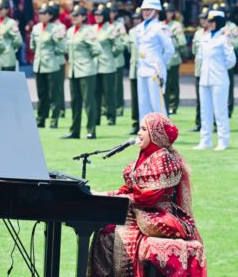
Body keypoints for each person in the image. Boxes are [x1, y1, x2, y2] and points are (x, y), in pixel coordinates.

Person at [88, 112, 206, 277]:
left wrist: (113, 199)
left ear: (156, 135)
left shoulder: (165, 159)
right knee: (104, 230)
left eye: (144, 129)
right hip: (140, 211)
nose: (139, 133)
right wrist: (102, 194)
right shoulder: (147, 156)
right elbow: (129, 191)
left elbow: (146, 198)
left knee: (110, 233)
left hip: (156, 215)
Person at [193, 10, 236, 151]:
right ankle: (205, 140)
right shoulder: (204, 37)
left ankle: (223, 140)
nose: (209, 23)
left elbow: (231, 60)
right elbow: (199, 57)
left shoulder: (224, 39)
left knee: (220, 111)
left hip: (219, 78)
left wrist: (219, 68)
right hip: (205, 78)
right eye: (208, 21)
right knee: (205, 111)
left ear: (218, 23)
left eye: (212, 21)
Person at [62, 5, 102, 139]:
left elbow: (97, 49)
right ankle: (75, 131)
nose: (73, 17)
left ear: (84, 17)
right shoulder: (70, 31)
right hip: (73, 70)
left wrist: (86, 59)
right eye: (72, 15)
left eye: (77, 15)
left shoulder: (88, 31)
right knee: (75, 102)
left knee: (89, 102)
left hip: (86, 70)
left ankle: (91, 130)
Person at [135, 0, 174, 121]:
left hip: (155, 70)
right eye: (144, 9)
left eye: (148, 9)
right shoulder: (139, 28)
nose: (145, 12)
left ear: (156, 11)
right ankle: (146, 137)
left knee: (158, 105)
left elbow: (169, 50)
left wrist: (160, 63)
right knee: (143, 105)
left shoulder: (160, 28)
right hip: (142, 69)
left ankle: (163, 137)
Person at [31, 3, 66, 128]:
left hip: (52, 65)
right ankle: (41, 118)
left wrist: (52, 55)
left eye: (44, 13)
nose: (41, 15)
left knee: (54, 93)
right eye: (40, 13)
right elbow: (33, 45)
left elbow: (62, 47)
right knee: (42, 94)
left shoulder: (56, 29)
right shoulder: (36, 28)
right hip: (39, 65)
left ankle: (54, 118)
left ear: (50, 15)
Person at [93, 4, 120, 126]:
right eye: (96, 15)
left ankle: (111, 116)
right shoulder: (92, 28)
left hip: (107, 65)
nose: (97, 17)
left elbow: (119, 45)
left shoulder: (111, 28)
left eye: (100, 15)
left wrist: (112, 54)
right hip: (94, 65)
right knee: (95, 93)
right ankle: (96, 117)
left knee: (109, 93)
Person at [214, 3, 238, 118]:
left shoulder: (231, 26)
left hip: (226, 61)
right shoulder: (213, 27)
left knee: (228, 86)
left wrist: (228, 39)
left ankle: (228, 109)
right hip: (215, 62)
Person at [162, 2, 186, 115]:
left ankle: (173, 104)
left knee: (172, 83)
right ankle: (164, 104)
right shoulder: (159, 24)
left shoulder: (176, 25)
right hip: (161, 58)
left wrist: (172, 36)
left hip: (173, 57)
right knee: (162, 83)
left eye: (170, 12)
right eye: (166, 12)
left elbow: (182, 42)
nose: (168, 14)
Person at [106, 1, 128, 117]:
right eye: (109, 12)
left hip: (116, 59)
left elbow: (125, 41)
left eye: (113, 12)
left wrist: (115, 52)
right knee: (105, 86)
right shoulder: (104, 26)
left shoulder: (119, 26)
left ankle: (119, 108)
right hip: (104, 61)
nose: (111, 14)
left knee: (117, 86)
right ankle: (105, 108)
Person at [190, 7, 209, 132]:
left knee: (209, 98)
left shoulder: (212, 33)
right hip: (199, 69)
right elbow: (193, 51)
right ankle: (199, 122)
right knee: (199, 98)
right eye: (201, 18)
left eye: (205, 18)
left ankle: (211, 123)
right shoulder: (198, 33)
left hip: (209, 70)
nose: (203, 21)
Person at [0, 0, 23, 71]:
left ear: (7, 10)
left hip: (7, 59)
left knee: (7, 81)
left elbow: (18, 41)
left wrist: (10, 48)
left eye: (1, 9)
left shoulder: (11, 23)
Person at [49, 0, 66, 119]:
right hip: (49, 61)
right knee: (50, 87)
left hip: (58, 60)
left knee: (58, 87)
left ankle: (60, 109)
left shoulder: (60, 26)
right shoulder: (47, 26)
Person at [127, 8, 142, 135]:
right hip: (134, 68)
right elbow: (128, 48)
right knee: (135, 98)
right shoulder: (131, 32)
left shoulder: (146, 32)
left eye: (138, 18)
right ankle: (135, 123)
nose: (136, 21)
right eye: (135, 19)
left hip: (145, 69)